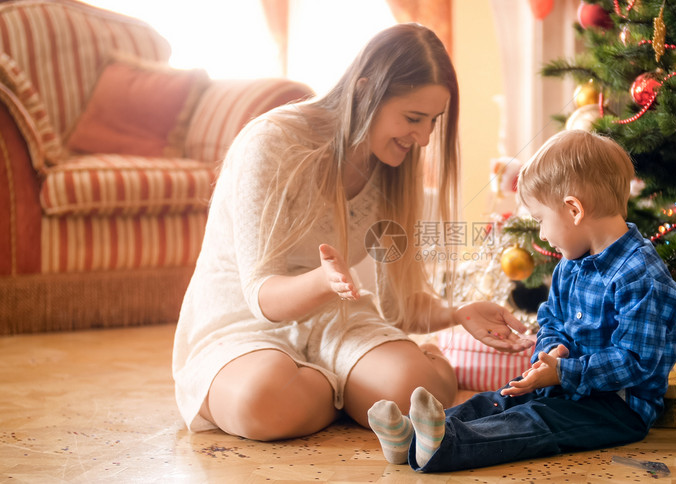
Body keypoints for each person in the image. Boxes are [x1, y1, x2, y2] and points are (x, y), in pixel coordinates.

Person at [172, 23, 532, 442]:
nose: (424, 138)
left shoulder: (394, 166)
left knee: (417, 388)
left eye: (433, 121)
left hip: (336, 320)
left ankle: (330, 389)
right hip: (245, 320)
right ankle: (345, 392)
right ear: (364, 92)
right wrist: (324, 281)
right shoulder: (273, 142)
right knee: (261, 401)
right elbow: (262, 296)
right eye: (413, 118)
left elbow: (398, 306)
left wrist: (458, 313)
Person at [367, 129, 676, 471]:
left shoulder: (641, 276)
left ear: (574, 210)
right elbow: (552, 319)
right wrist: (550, 354)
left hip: (618, 408)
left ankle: (445, 445)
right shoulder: (570, 265)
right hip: (564, 382)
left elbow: (636, 361)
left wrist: (563, 372)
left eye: (540, 220)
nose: (542, 234)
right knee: (499, 399)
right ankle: (412, 436)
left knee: (534, 419)